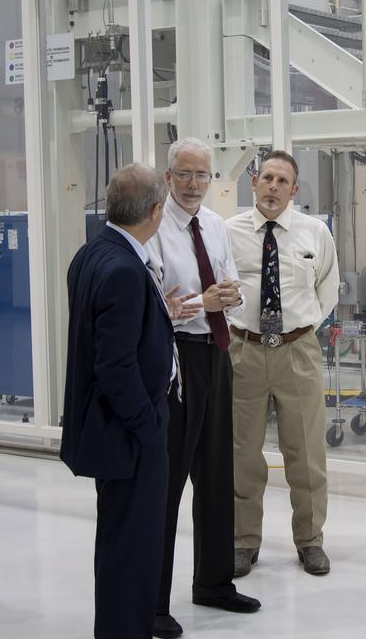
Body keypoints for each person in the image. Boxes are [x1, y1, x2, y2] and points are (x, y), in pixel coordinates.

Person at [60, 163, 200, 639]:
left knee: (122, 543)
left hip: (111, 430)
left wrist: (162, 313)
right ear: (157, 211)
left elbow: (113, 333)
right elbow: (114, 366)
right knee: (133, 550)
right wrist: (148, 424)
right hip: (129, 435)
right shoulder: (123, 267)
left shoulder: (93, 253)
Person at [146, 139, 260, 638]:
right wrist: (202, 300)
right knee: (168, 483)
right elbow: (155, 303)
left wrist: (229, 297)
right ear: (168, 177)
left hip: (216, 353)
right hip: (176, 359)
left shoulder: (214, 224)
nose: (195, 185)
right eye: (186, 175)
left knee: (217, 472)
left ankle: (213, 583)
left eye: (203, 176)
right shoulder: (153, 228)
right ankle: (152, 601)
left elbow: (229, 288)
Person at [226, 150, 340, 577]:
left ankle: (310, 540)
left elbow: (327, 289)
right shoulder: (228, 232)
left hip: (298, 350)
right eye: (267, 178)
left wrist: (298, 329)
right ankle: (242, 541)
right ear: (254, 181)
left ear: (294, 190)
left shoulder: (315, 233)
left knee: (307, 451)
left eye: (283, 181)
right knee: (242, 453)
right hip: (245, 352)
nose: (273, 186)